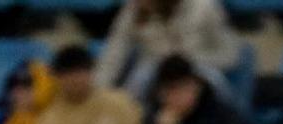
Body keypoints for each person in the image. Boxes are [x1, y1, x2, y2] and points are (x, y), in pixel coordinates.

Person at [97, 0, 239, 102]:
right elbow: (114, 53)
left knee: (217, 83)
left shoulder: (204, 6)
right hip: (153, 69)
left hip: (197, 67)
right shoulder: (133, 9)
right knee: (137, 81)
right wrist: (97, 91)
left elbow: (229, 54)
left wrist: (191, 60)